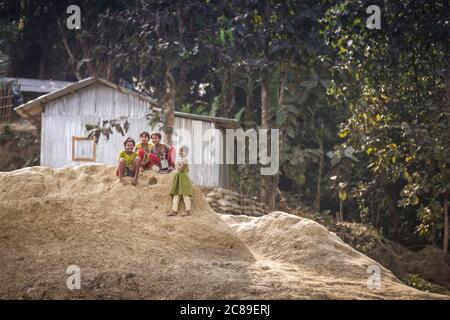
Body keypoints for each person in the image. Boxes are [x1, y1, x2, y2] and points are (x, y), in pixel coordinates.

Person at [168, 146, 193, 216]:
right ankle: (174, 210)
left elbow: (180, 169)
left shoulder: (185, 160)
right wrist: (177, 165)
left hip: (184, 179)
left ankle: (188, 211)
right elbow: (177, 168)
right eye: (180, 151)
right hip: (178, 179)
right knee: (176, 195)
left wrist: (177, 165)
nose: (181, 152)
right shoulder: (179, 160)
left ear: (187, 153)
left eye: (183, 151)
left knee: (185, 195)